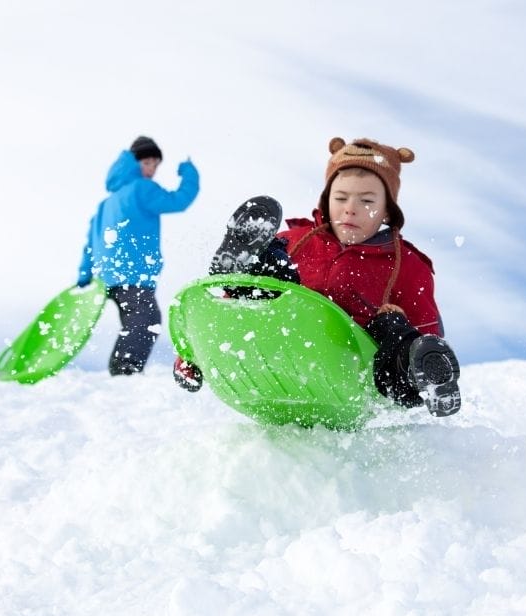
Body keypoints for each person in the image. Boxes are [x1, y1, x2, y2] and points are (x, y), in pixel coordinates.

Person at [173, 137, 461, 416]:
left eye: (367, 200)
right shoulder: (296, 239)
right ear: (326, 201)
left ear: (387, 211)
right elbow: (235, 312)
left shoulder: (408, 263)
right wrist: (193, 356)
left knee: (392, 325)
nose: (350, 207)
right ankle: (248, 261)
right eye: (341, 197)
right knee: (275, 271)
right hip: (281, 344)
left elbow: (429, 331)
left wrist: (419, 347)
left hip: (354, 369)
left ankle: (426, 381)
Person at [77, 136, 200, 375]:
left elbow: (90, 243)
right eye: (147, 163)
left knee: (134, 323)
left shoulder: (105, 203)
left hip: (107, 279)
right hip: (133, 275)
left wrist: (84, 275)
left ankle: (122, 370)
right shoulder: (142, 189)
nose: (152, 169)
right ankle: (124, 372)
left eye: (156, 164)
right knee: (146, 321)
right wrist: (189, 173)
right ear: (134, 163)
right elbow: (178, 201)